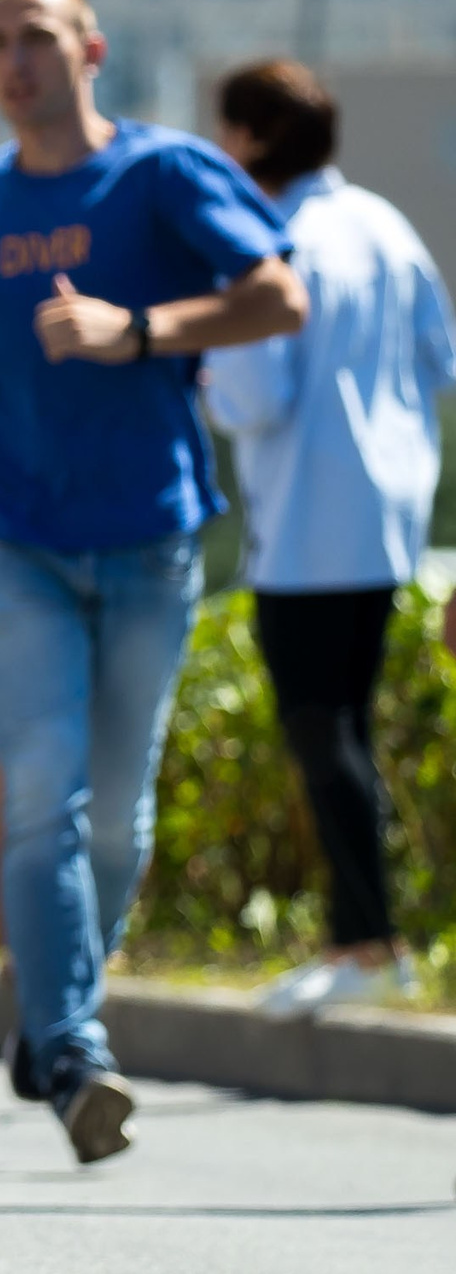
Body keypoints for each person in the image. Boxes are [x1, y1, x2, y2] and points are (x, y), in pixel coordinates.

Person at [0, 0, 306, 1163]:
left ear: (89, 51)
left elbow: (277, 296)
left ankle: (46, 1014)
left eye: (34, 38)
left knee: (118, 820)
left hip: (147, 533)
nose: (11, 60)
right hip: (11, 538)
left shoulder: (163, 173)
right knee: (42, 793)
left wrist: (135, 330)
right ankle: (74, 1044)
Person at [200, 60, 455, 1015]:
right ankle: (367, 936)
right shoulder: (385, 225)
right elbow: (441, 356)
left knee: (322, 731)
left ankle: (364, 944)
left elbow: (254, 396)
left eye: (227, 132)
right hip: (390, 507)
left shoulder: (274, 241)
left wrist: (205, 376)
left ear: (255, 137)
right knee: (347, 726)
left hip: (308, 518)